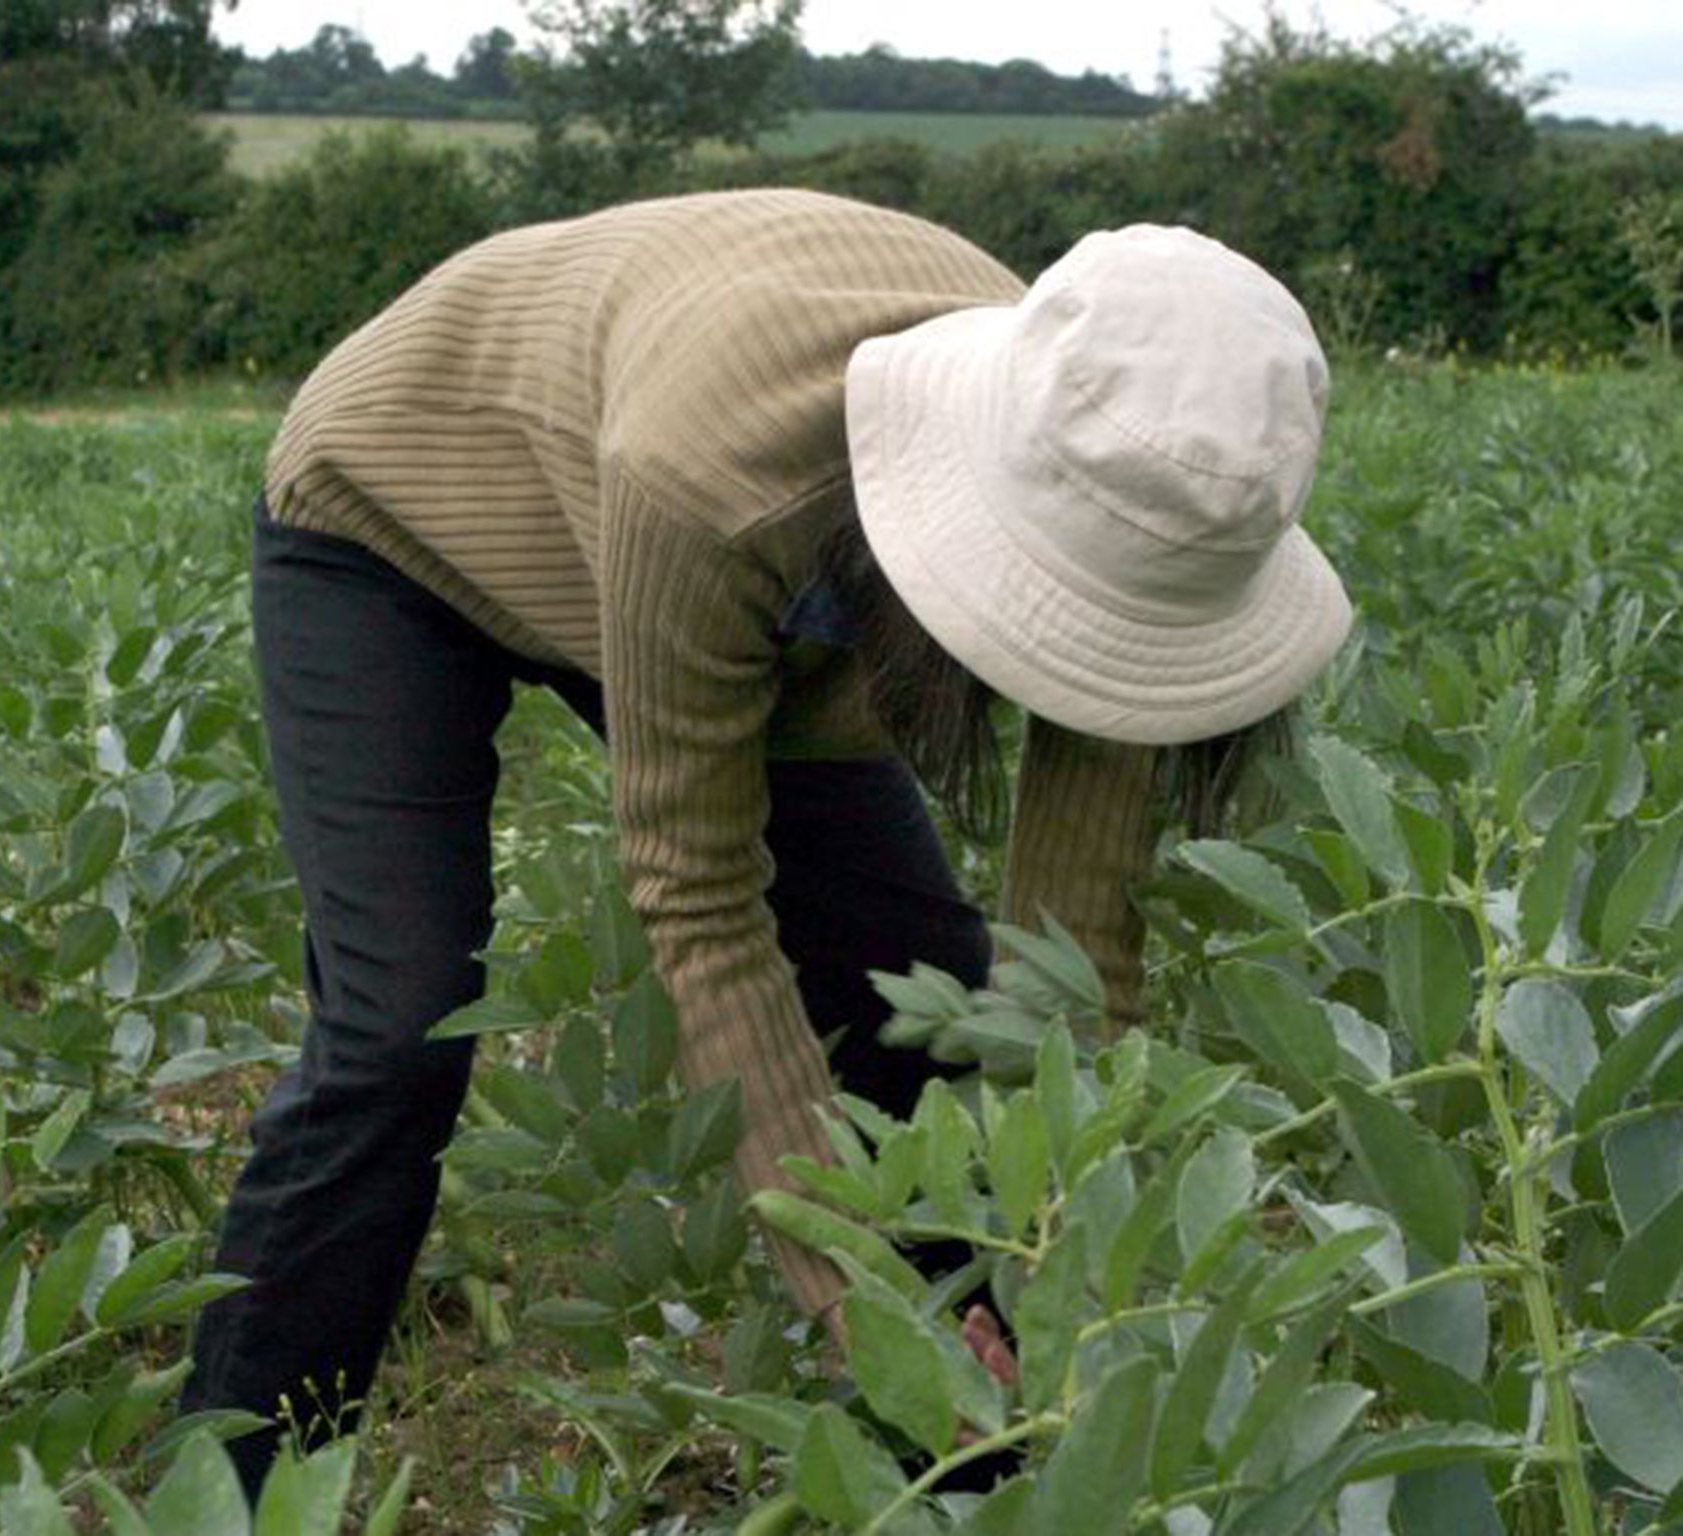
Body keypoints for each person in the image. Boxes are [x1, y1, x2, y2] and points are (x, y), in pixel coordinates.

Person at [181, 188, 1353, 1496]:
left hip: (749, 554)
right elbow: (700, 904)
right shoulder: (723, 473)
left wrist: (1063, 1264)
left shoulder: (1138, 471)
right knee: (402, 1025)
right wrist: (854, 1294)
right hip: (399, 510)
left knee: (925, 990)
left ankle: (983, 1466)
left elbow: (1073, 956)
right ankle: (229, 1496)